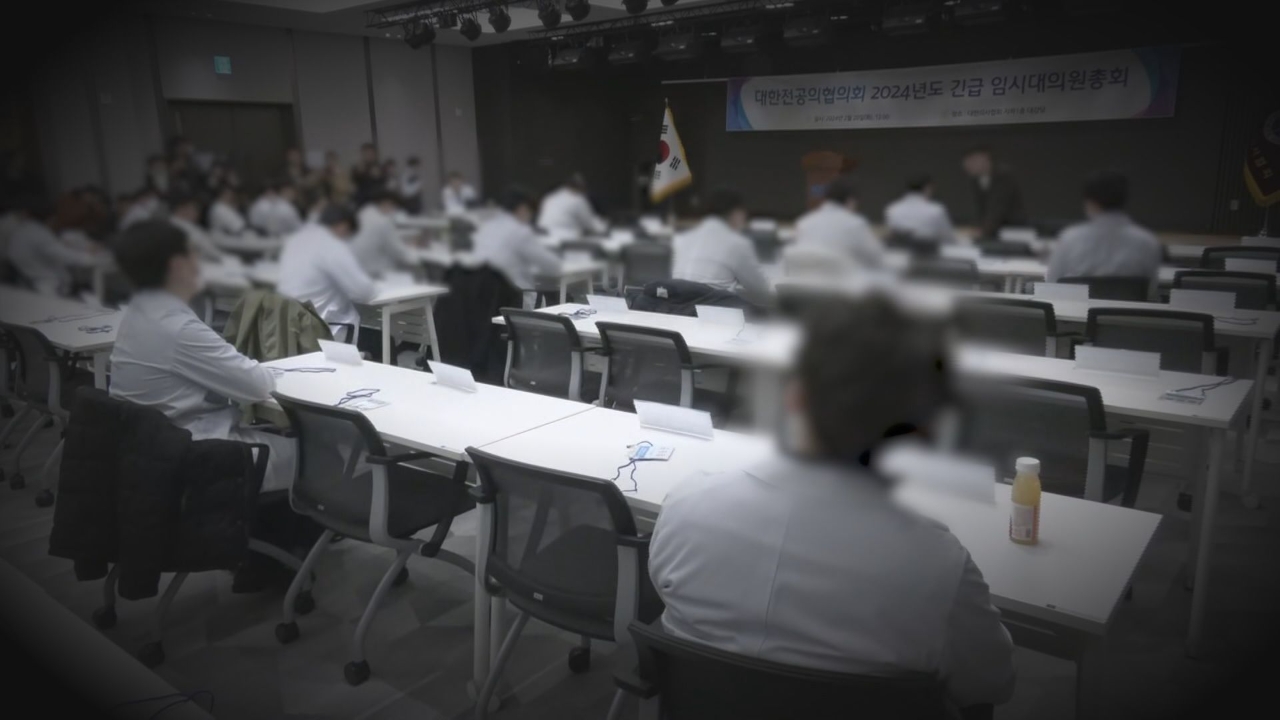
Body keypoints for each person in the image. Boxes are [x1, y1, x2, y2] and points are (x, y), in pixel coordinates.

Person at [648, 293, 1016, 712]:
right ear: (924, 427)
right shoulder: (938, 567)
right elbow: (992, 684)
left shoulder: (685, 506)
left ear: (794, 395)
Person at [108, 219, 308, 591]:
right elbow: (256, 383)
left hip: (151, 453)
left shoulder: (139, 313)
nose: (199, 261)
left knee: (272, 434)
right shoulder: (177, 327)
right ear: (177, 264)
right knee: (313, 455)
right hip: (194, 458)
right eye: (193, 253)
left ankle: (265, 554)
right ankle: (274, 559)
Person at [276, 203, 376, 345]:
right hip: (324, 329)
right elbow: (364, 292)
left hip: (290, 327)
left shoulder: (296, 239)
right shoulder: (332, 245)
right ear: (344, 226)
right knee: (377, 338)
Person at [1046, 170, 1161, 285]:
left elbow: (1052, 283)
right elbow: (1151, 289)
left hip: (1076, 297)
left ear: (1090, 201)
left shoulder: (1070, 238)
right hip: (1127, 297)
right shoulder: (1147, 242)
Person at [671, 187, 770, 305]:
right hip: (711, 311)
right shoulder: (737, 243)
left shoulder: (682, 239)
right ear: (736, 213)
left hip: (676, 308)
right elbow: (762, 291)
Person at [472, 186, 562, 300]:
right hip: (512, 297)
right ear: (522, 208)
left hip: (482, 297)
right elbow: (554, 267)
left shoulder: (485, 227)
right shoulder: (520, 231)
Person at [7, 194, 100, 295]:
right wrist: (91, 258)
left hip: (34, 282)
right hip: (46, 286)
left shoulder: (24, 230)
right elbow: (64, 255)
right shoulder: (37, 232)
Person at [792, 178, 884, 268]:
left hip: (805, 275)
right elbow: (876, 256)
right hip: (844, 276)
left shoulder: (804, 222)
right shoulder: (855, 223)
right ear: (851, 200)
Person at [962, 146, 1027, 238]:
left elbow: (997, 208)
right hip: (991, 229)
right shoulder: (976, 180)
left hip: (1012, 229)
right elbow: (980, 209)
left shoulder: (1003, 176)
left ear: (986, 158)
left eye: (973, 161)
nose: (968, 165)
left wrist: (983, 231)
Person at [352, 190, 415, 276]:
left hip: (357, 265)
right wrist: (415, 258)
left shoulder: (364, 212)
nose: (393, 212)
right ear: (388, 203)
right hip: (375, 270)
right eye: (395, 208)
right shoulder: (383, 221)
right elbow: (397, 249)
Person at [885, 175, 958, 245]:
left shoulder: (892, 208)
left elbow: (892, 233)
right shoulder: (936, 210)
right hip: (928, 250)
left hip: (900, 250)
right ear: (927, 188)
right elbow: (948, 238)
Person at [537, 173, 606, 238]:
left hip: (543, 236)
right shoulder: (578, 199)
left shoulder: (550, 196)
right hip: (564, 238)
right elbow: (590, 222)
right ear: (581, 187)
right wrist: (604, 227)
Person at [168, 193, 224, 262]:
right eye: (195, 209)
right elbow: (208, 249)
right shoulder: (179, 226)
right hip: (199, 262)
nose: (198, 213)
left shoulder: (187, 224)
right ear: (182, 208)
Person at [350, 143, 385, 208]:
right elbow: (353, 182)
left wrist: (378, 176)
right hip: (361, 200)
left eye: (371, 154)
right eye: (366, 154)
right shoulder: (357, 168)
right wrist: (359, 172)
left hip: (377, 199)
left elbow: (384, 182)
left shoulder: (380, 168)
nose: (369, 156)